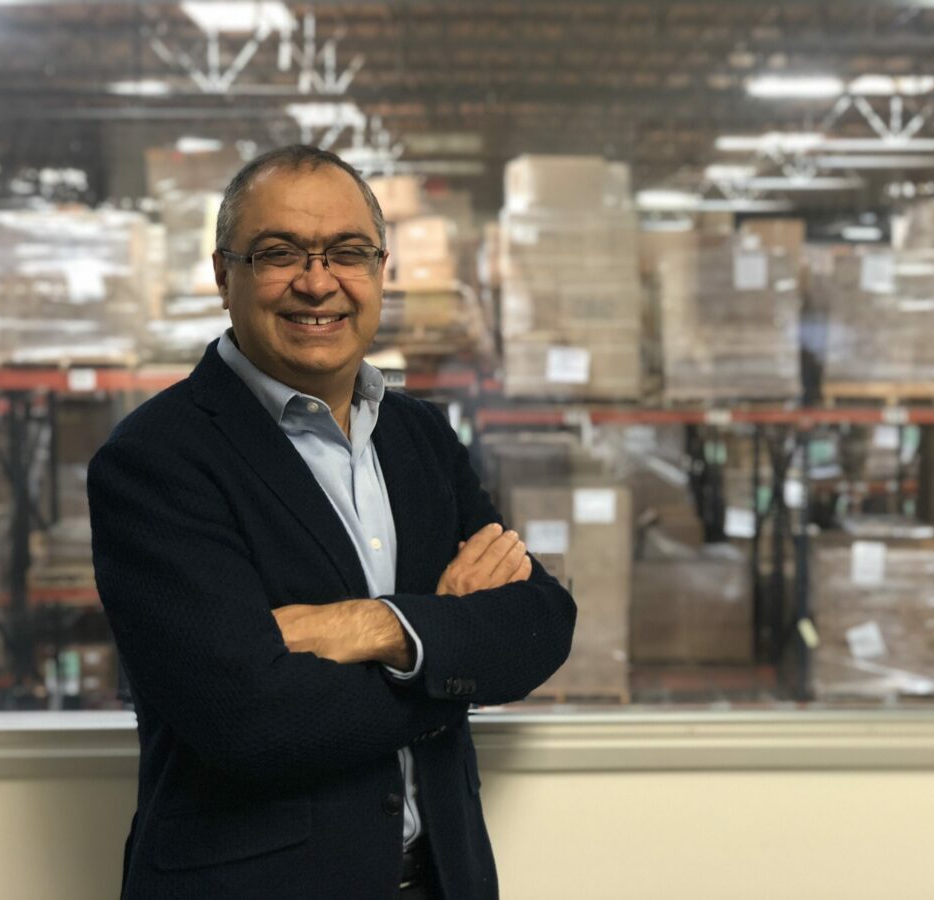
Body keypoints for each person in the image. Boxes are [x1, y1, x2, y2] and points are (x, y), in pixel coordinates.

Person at [87, 145, 577, 900]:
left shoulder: (420, 436)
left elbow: (540, 622)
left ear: (380, 271)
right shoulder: (154, 460)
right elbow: (249, 721)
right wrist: (446, 644)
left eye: (348, 252)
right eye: (279, 253)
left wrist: (376, 627)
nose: (318, 283)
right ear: (223, 276)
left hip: (443, 880)